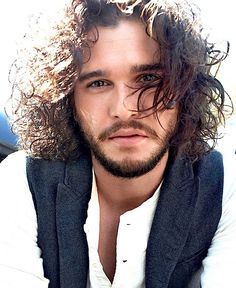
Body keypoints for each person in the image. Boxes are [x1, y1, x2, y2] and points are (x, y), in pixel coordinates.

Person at [0, 0, 235, 287]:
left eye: (148, 78)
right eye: (98, 83)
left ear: (185, 89)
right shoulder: (22, 181)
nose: (123, 109)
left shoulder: (224, 186)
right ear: (68, 100)